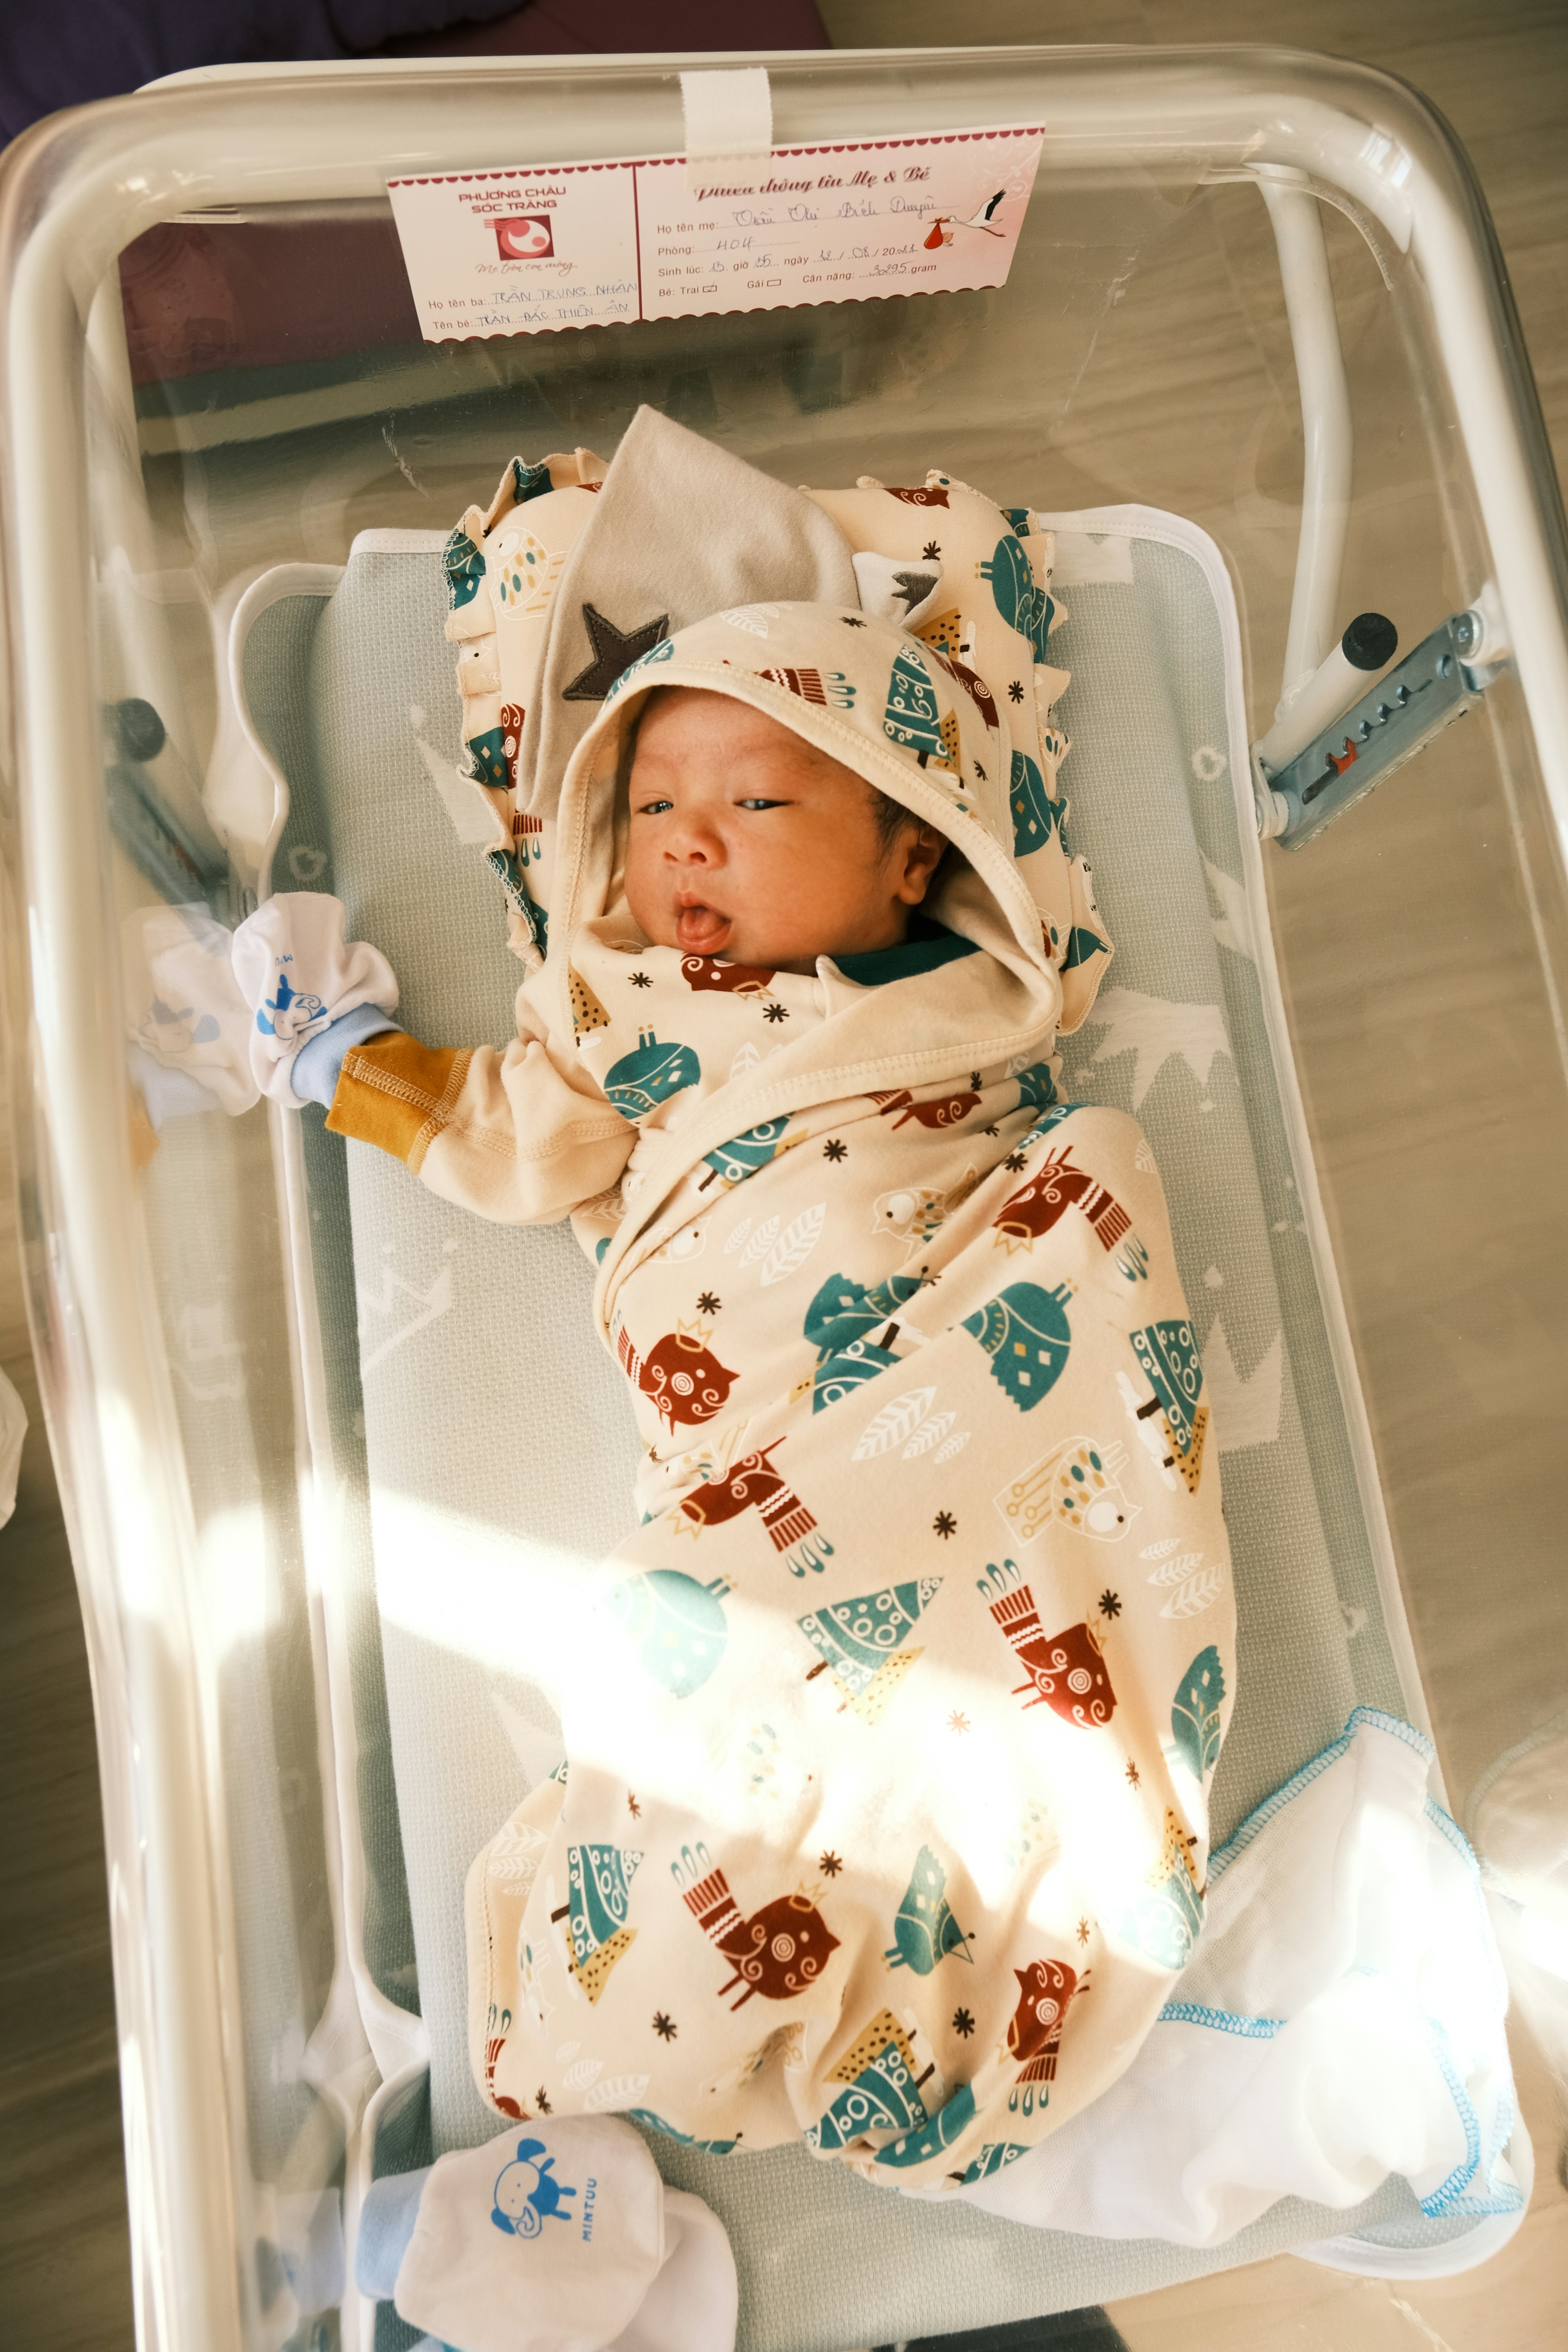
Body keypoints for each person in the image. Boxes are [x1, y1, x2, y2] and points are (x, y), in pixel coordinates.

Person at [230, 561, 1235, 2192]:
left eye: (756, 796)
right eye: (647, 807)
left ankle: (987, 1909)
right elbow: (509, 1134)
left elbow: (1042, 1147)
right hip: (770, 1424)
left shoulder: (991, 996)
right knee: (728, 1659)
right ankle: (723, 1967)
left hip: (969, 1288)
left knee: (1099, 1176)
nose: (685, 838)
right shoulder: (629, 1011)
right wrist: (345, 1066)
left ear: (912, 847)